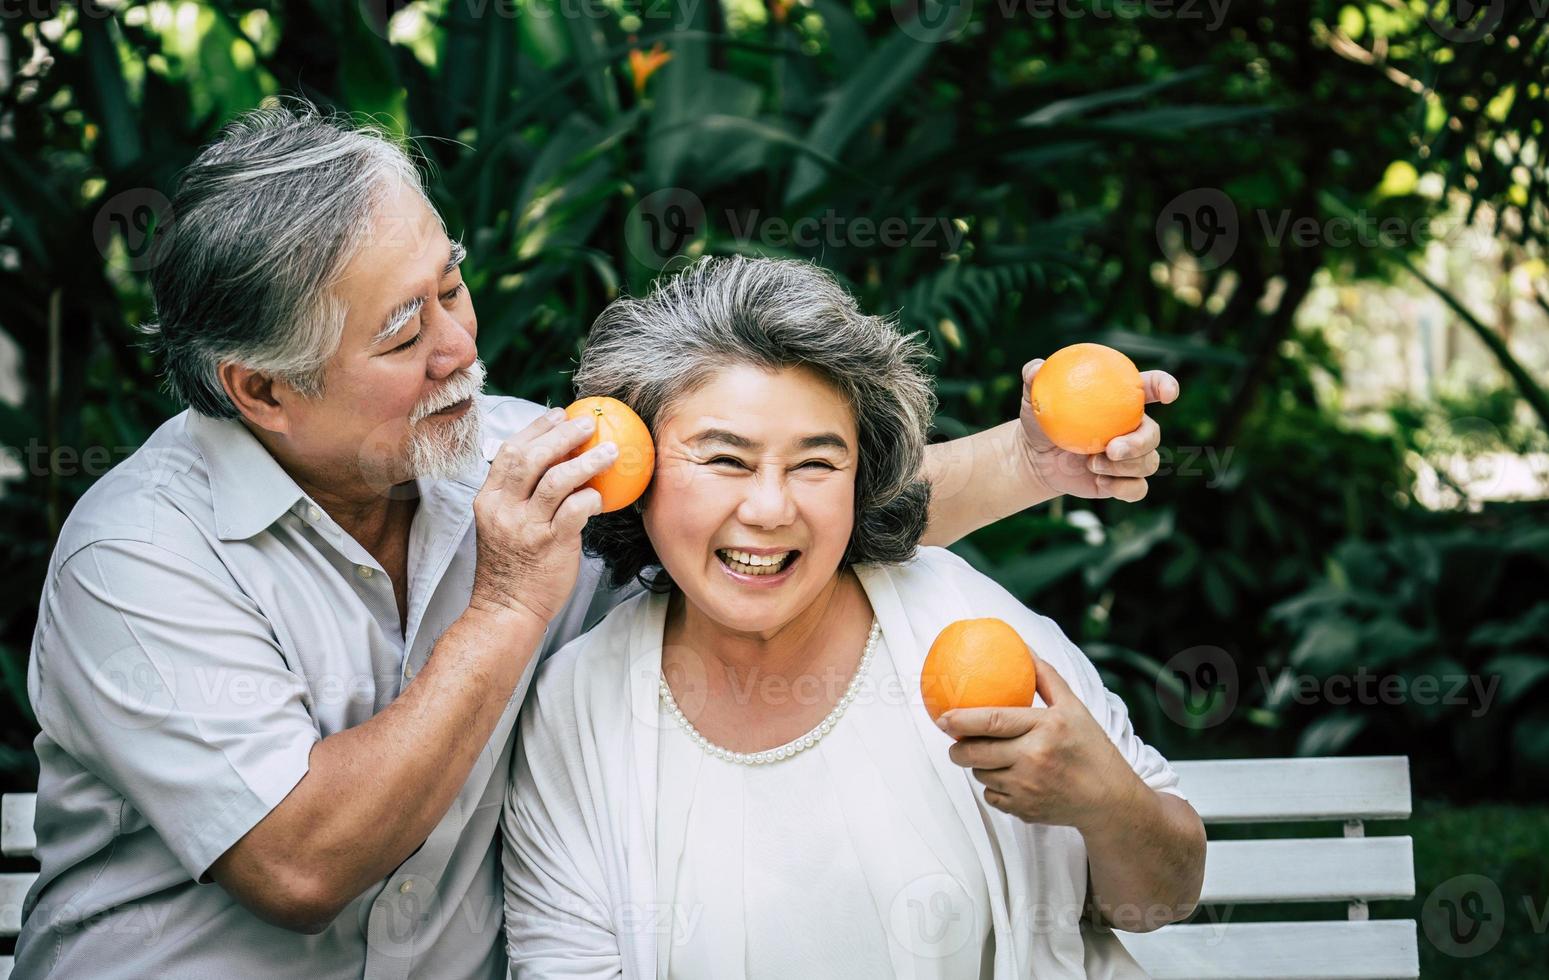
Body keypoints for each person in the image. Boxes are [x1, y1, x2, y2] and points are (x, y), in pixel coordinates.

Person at [15, 103, 1178, 979]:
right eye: (405, 329)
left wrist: (1030, 459)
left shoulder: (500, 447)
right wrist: (510, 604)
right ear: (261, 389)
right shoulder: (136, 559)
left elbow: (765, 496)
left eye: (452, 287)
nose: (458, 345)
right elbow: (300, 866)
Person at [501, 257, 1205, 979]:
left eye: (814, 465)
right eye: (726, 461)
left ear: (859, 477)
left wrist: (1105, 801)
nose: (771, 510)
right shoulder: (575, 711)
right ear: (636, 474)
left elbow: (1167, 894)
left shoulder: (962, 620)